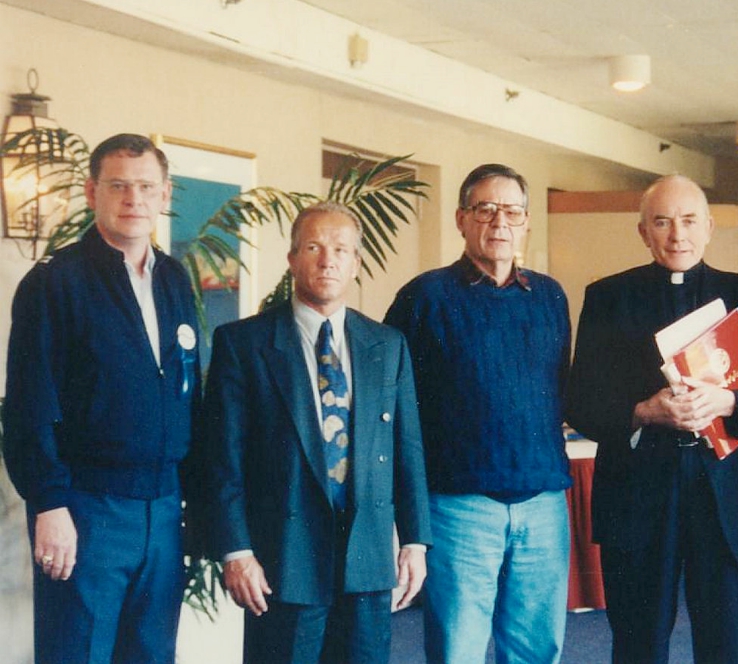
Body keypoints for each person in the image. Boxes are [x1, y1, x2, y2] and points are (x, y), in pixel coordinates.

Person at [566, 174, 738, 664]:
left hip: (726, 498)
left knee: (729, 646)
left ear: (709, 228)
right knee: (638, 645)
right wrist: (645, 410)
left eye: (688, 221)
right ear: (643, 232)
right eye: (662, 222)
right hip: (639, 496)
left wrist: (730, 403)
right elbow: (580, 399)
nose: (677, 235)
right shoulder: (608, 297)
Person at [200, 202, 432, 663]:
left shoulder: (387, 345)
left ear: (356, 264)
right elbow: (222, 458)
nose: (328, 260)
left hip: (366, 561)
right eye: (314, 247)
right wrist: (235, 550)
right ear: (292, 259)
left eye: (341, 250)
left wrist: (414, 541)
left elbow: (407, 450)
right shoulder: (244, 344)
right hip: (282, 563)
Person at [3, 133, 200, 663]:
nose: (133, 199)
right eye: (118, 186)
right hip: (87, 510)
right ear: (92, 193)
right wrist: (50, 503)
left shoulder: (176, 280)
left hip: (162, 509)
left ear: (164, 196)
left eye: (145, 186)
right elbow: (27, 407)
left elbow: (185, 389)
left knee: (152, 655)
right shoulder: (54, 283)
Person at [384, 164, 572, 664]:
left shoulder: (550, 296)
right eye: (485, 210)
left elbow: (558, 389)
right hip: (459, 507)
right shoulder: (424, 297)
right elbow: (397, 412)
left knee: (537, 649)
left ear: (527, 221)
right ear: (461, 219)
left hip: (544, 503)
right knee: (458, 650)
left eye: (511, 211)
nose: (499, 223)